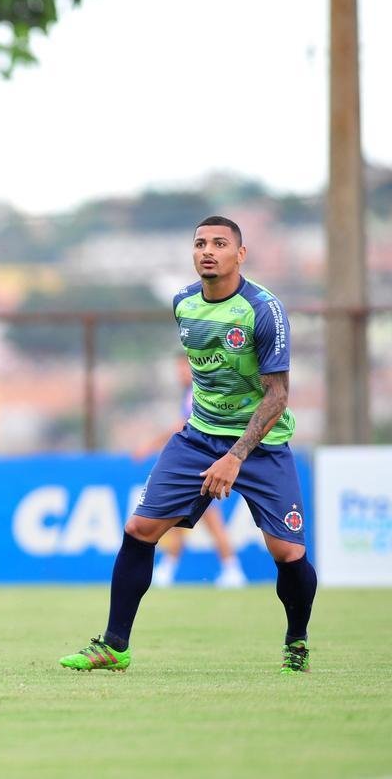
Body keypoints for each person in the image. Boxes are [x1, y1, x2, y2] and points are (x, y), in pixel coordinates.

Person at [60, 215, 316, 675]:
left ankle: (297, 641)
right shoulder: (183, 304)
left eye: (220, 243)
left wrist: (235, 457)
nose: (208, 251)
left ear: (240, 254)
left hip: (262, 444)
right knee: (139, 529)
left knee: (287, 555)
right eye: (200, 243)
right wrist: (208, 442)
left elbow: (278, 394)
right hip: (198, 436)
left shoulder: (263, 309)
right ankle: (115, 646)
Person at [132, 355, 246, 588]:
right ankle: (168, 570)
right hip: (200, 464)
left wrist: (149, 446)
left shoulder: (198, 393)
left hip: (201, 466)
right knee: (179, 521)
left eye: (184, 368)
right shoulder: (190, 394)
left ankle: (232, 569)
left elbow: (181, 427)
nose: (181, 374)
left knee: (209, 520)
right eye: (178, 369)